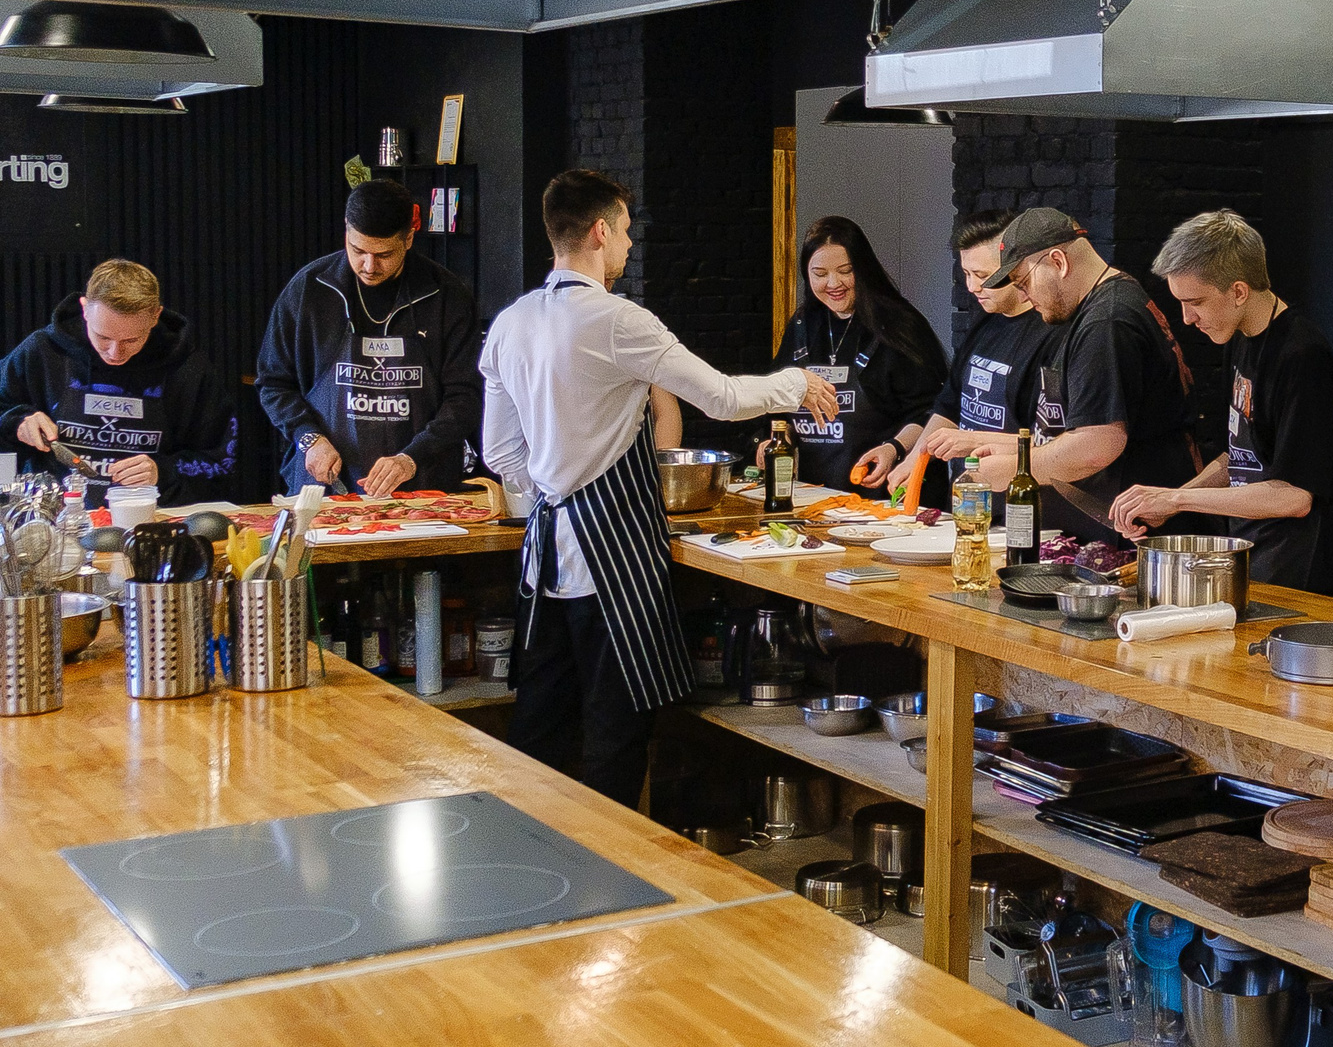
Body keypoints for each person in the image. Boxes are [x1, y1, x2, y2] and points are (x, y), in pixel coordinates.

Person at [481, 170, 839, 806]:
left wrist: (552, 484)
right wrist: (795, 384)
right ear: (598, 232)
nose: (626, 246)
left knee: (542, 724)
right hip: (611, 556)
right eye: (622, 232)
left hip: (544, 560)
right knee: (615, 732)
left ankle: (537, 859)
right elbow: (724, 398)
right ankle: (615, 877)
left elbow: (501, 451)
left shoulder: (512, 322)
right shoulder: (618, 321)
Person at [1109, 210, 1333, 594]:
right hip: (1251, 548)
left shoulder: (1302, 354)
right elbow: (1237, 456)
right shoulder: (1238, 335)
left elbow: (1294, 497)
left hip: (1300, 562)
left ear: (1239, 291)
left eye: (1196, 302)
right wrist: (1169, 501)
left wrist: (1176, 500)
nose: (1187, 319)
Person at [928, 207, 1199, 543]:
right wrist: (995, 443)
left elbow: (1096, 445)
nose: (1025, 296)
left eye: (1024, 282)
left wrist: (1016, 468)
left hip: (1138, 531)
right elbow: (1077, 433)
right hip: (1133, 520)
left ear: (1058, 262)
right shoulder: (1112, 301)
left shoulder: (1106, 322)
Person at [256, 179, 483, 496]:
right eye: (358, 250)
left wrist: (411, 458)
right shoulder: (308, 290)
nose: (369, 265)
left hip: (422, 488)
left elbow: (466, 398)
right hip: (324, 489)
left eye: (384, 254)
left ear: (409, 238)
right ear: (346, 229)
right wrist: (308, 437)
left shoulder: (447, 296)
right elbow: (273, 382)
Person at [0, 259, 234, 506]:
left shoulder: (189, 369)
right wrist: (17, 421)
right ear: (85, 309)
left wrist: (162, 472)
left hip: (152, 520)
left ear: (155, 316)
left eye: (132, 340)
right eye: (102, 337)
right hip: (54, 515)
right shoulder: (41, 352)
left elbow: (222, 463)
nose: (115, 352)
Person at [765, 216, 946, 495]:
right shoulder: (802, 325)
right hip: (814, 494)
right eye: (820, 274)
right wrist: (777, 439)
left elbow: (932, 410)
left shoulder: (901, 325)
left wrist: (894, 448)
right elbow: (778, 400)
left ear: (863, 269)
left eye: (845, 270)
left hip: (884, 497)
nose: (833, 283)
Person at [906, 211, 1056, 464]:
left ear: (1015, 269)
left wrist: (976, 440)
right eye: (966, 274)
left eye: (983, 276)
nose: (972, 287)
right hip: (969, 493)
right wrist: (913, 461)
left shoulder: (1051, 334)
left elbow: (1050, 442)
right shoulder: (985, 321)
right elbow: (949, 405)